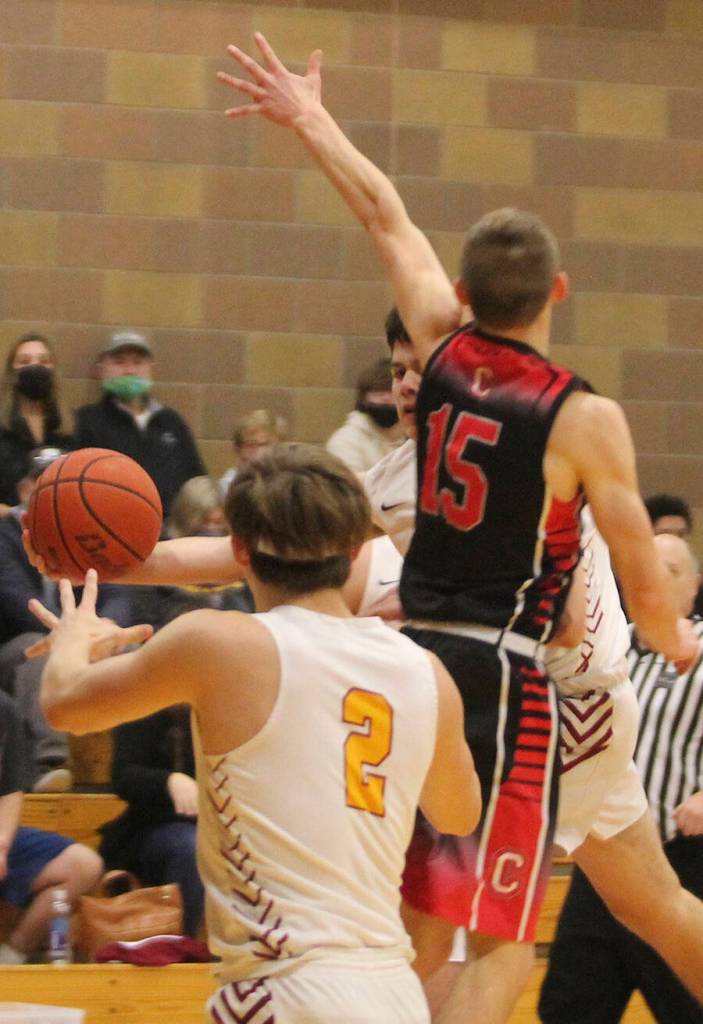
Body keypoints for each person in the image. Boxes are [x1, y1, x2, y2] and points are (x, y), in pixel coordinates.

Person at [217, 36, 699, 1024]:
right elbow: (645, 584)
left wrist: (309, 117)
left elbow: (383, 211)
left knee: (424, 927)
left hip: (418, 668)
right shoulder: (583, 418)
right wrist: (677, 641)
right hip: (508, 679)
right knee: (504, 939)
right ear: (557, 291)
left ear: (464, 297)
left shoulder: (434, 349)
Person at [35, 444, 479, 1024]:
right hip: (393, 992)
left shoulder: (218, 643)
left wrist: (75, 638)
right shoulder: (427, 673)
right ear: (355, 548)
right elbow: (460, 816)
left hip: (283, 987)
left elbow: (64, 706)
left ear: (240, 551)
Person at [539, 533, 703, 1023]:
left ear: (695, 585)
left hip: (686, 861)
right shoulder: (607, 645)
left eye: (671, 570)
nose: (654, 577)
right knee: (567, 1007)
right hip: (603, 858)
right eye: (646, 564)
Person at [0, 689, 103, 964]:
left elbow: (10, 792)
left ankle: (15, 953)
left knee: (82, 865)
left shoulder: (4, 709)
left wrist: (2, 844)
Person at [74, 329, 206, 517]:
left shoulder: (171, 422)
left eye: (137, 362)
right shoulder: (86, 422)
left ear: (151, 368)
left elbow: (198, 482)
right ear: (101, 368)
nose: (130, 370)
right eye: (119, 362)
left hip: (172, 528)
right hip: (114, 526)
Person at [99, 705, 204, 938]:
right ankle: (183, 947)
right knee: (190, 848)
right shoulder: (147, 706)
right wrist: (168, 781)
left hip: (218, 825)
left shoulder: (227, 709)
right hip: (153, 827)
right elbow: (123, 776)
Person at [0, 334, 73, 516]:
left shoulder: (71, 427)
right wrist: (20, 513)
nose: (35, 367)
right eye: (25, 361)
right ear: (11, 373)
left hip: (61, 526)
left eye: (44, 361)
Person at [327, 356, 404, 472]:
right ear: (363, 399)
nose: (386, 398)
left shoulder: (413, 439)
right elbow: (351, 482)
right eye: (378, 392)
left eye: (391, 391)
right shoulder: (345, 440)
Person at [219, 409, 286, 498]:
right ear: (239, 449)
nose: (260, 451)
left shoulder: (287, 482)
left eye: (267, 444)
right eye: (251, 444)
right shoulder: (228, 485)